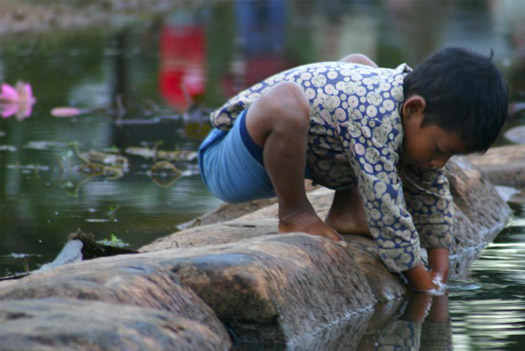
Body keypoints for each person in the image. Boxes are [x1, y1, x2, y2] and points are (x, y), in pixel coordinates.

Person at [198, 47, 509, 292]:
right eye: (440, 150)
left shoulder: (408, 104)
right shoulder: (377, 118)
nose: (439, 163)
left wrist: (441, 270)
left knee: (359, 63)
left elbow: (431, 191)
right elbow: (388, 214)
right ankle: (294, 214)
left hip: (293, 153)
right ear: (414, 108)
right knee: (287, 104)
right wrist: (424, 284)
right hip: (231, 160)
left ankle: (348, 211)